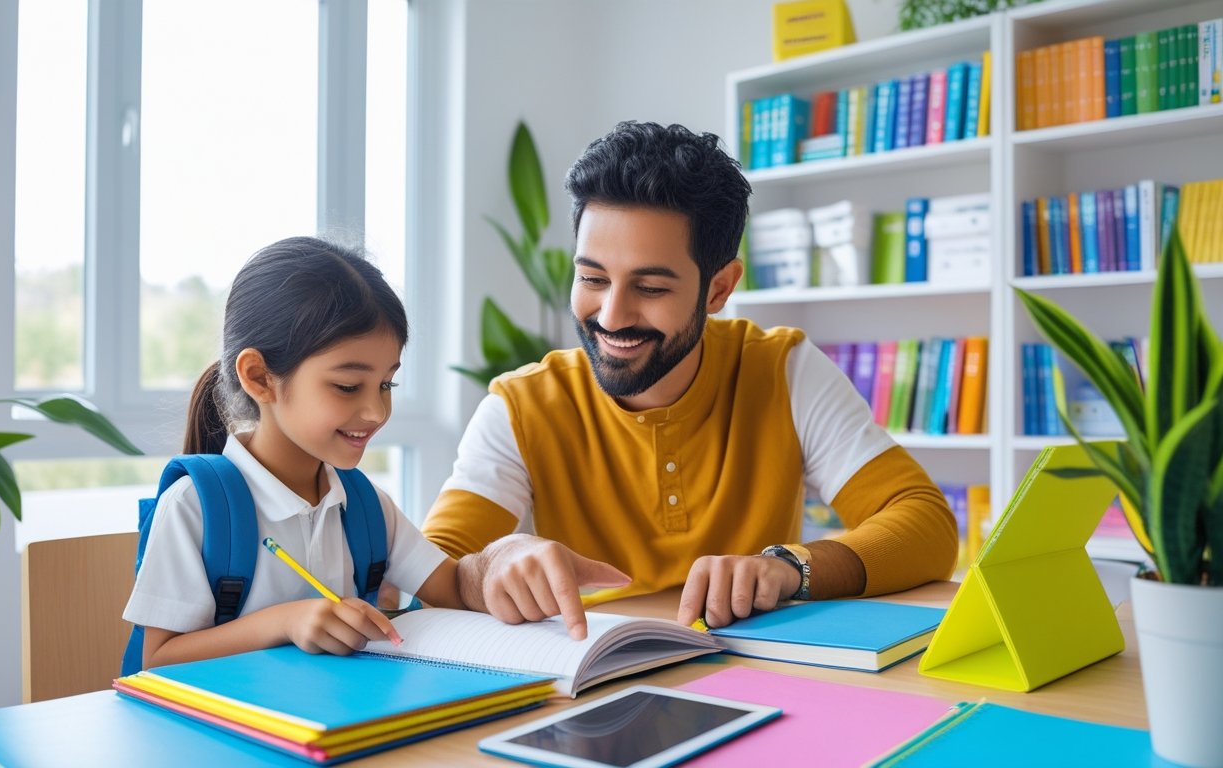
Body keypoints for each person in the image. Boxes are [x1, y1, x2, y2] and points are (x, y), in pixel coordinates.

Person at [426, 121, 958, 632]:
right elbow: (422, 572)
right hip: (592, 670)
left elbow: (925, 525)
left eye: (651, 288)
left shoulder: (783, 370)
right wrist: (488, 565)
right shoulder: (522, 405)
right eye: (592, 277)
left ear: (719, 289)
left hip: (757, 669)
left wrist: (787, 568)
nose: (611, 316)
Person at [124, 236, 479, 668]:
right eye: (348, 386)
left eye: (387, 384)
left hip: (337, 728)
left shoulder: (365, 507)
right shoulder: (192, 509)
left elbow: (455, 591)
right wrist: (285, 622)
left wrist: (507, 566)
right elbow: (158, 660)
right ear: (259, 377)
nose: (376, 411)